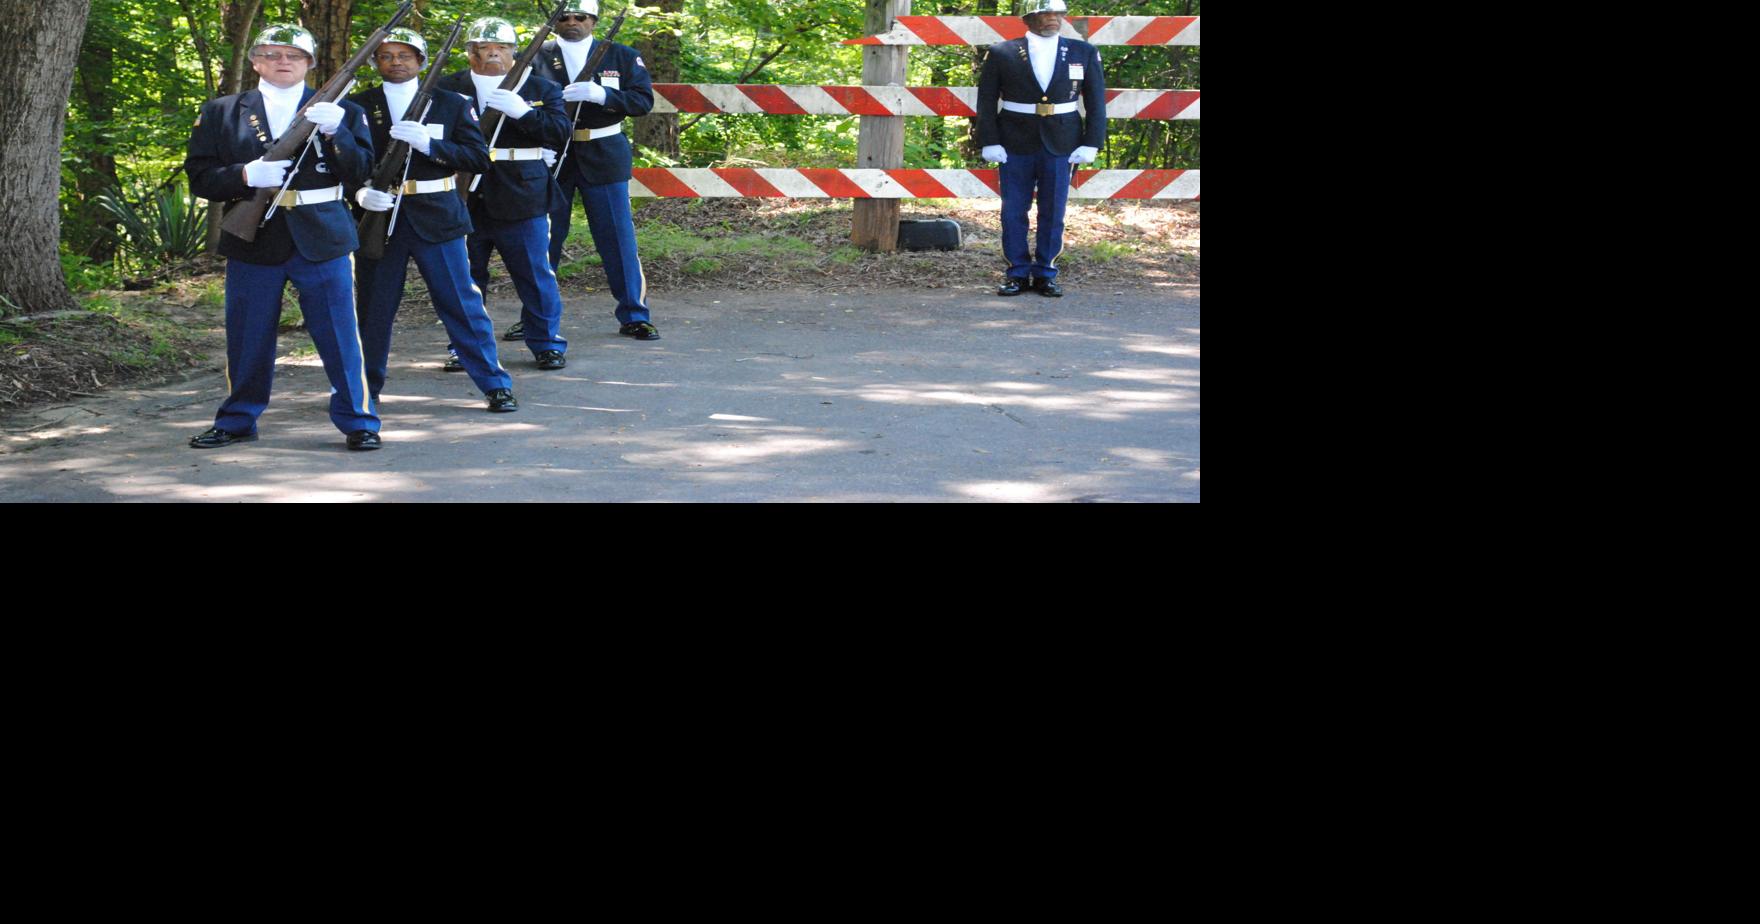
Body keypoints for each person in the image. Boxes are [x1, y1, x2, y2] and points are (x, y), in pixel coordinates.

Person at [184, 25, 383, 450]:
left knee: (340, 335)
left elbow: (361, 171)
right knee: (247, 335)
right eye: (272, 54)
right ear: (255, 61)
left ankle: (359, 420)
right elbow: (199, 177)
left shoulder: (343, 110)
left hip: (323, 234)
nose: (283, 62)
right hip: (253, 237)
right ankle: (238, 419)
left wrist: (337, 134)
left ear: (309, 64)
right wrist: (244, 175)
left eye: (294, 55)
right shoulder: (222, 111)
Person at [348, 27, 517, 413]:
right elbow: (346, 162)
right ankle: (365, 389)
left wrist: (430, 145)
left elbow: (477, 158)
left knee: (461, 302)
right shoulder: (358, 106)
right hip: (379, 216)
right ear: (376, 62)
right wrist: (358, 192)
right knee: (373, 308)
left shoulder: (451, 103)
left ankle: (494, 384)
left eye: (404, 56)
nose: (395, 62)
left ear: (421, 62)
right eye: (387, 56)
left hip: (437, 215)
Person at [440, 17, 574, 369]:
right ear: (470, 52)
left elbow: (560, 132)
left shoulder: (541, 88)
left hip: (522, 191)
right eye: (484, 47)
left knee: (534, 273)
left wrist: (524, 113)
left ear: (514, 51)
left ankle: (546, 342)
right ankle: (465, 347)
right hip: (464, 192)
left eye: (501, 47)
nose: (493, 53)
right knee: (466, 276)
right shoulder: (448, 87)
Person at [536, 0, 660, 341]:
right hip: (553, 154)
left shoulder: (621, 55)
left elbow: (642, 101)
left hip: (604, 152)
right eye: (564, 17)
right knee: (544, 239)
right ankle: (534, 316)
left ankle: (634, 313)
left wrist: (603, 95)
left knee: (617, 238)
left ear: (593, 20)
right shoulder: (536, 56)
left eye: (581, 16)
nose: (572, 22)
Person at [975, 0, 1107, 298]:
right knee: (1013, 211)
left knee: (1053, 211)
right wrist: (989, 140)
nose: (1053, 19)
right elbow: (986, 100)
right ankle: (1017, 272)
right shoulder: (1002, 52)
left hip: (1062, 141)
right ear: (1028, 18)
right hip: (1013, 140)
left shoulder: (1083, 52)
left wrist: (1091, 142)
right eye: (1045, 13)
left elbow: (1096, 101)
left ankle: (1046, 272)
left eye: (1058, 14)